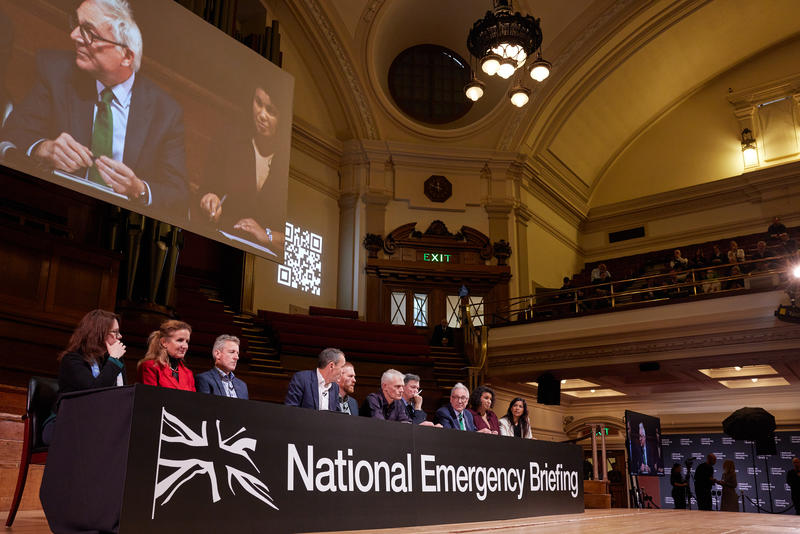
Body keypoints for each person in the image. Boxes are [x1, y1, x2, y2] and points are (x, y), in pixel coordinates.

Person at [0, 0, 187, 211]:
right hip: (51, 205)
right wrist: (43, 148)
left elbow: (178, 194)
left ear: (126, 56)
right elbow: (12, 134)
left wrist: (139, 189)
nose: (74, 36)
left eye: (89, 32)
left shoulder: (166, 112)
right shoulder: (56, 71)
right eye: (77, 24)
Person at [198, 85, 284, 251]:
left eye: (271, 111)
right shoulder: (229, 138)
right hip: (225, 241)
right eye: (258, 103)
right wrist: (209, 199)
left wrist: (267, 235)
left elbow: (296, 241)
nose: (261, 115)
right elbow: (207, 189)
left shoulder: (286, 162)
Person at [43, 309, 127, 445]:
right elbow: (93, 393)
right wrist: (114, 361)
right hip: (64, 424)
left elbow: (121, 394)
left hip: (97, 423)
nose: (120, 336)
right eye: (115, 332)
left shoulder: (112, 361)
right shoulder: (72, 360)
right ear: (99, 333)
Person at [137, 320, 195, 391]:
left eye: (187, 341)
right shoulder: (150, 367)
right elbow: (149, 398)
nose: (185, 346)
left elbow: (192, 401)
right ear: (164, 342)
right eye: (180, 340)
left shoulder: (188, 373)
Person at [195, 334, 248, 399]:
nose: (237, 357)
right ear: (217, 354)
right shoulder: (204, 379)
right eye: (232, 352)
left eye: (237, 353)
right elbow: (205, 408)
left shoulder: (242, 385)